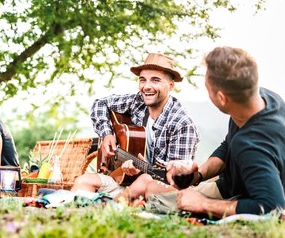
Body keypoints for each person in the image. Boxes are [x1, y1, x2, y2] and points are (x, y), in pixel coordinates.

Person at [146, 46, 285, 217]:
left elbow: (273, 207)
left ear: (222, 98)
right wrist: (197, 175)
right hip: (230, 185)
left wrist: (202, 204)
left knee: (156, 202)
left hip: (250, 197)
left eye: (207, 88)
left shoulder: (252, 145)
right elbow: (228, 145)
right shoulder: (260, 98)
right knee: (152, 190)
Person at [71, 53, 200, 201]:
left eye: (155, 80)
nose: (146, 86)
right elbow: (99, 104)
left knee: (144, 180)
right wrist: (107, 134)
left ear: (170, 86)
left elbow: (176, 181)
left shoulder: (182, 124)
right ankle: (82, 215)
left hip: (156, 191)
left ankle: (109, 208)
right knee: (84, 181)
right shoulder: (137, 102)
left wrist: (143, 171)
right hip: (125, 180)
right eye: (142, 80)